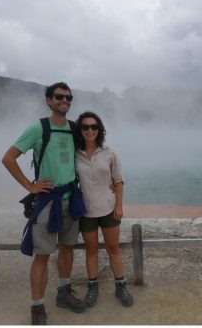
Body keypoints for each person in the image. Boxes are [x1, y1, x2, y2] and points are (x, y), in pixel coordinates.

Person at [2, 82, 85, 326]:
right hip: (48, 201)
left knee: (67, 248)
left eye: (68, 97)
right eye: (59, 97)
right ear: (49, 100)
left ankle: (63, 292)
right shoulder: (38, 128)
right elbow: (8, 158)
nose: (65, 101)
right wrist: (30, 186)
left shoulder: (74, 129)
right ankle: (37, 306)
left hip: (71, 197)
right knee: (42, 255)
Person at [75, 111, 133, 309]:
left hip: (109, 208)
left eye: (94, 126)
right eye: (85, 127)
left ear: (99, 129)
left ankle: (120, 286)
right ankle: (93, 288)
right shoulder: (76, 154)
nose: (90, 130)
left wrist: (119, 205)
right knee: (91, 250)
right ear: (80, 130)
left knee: (113, 249)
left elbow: (118, 180)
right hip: (86, 210)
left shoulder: (110, 152)